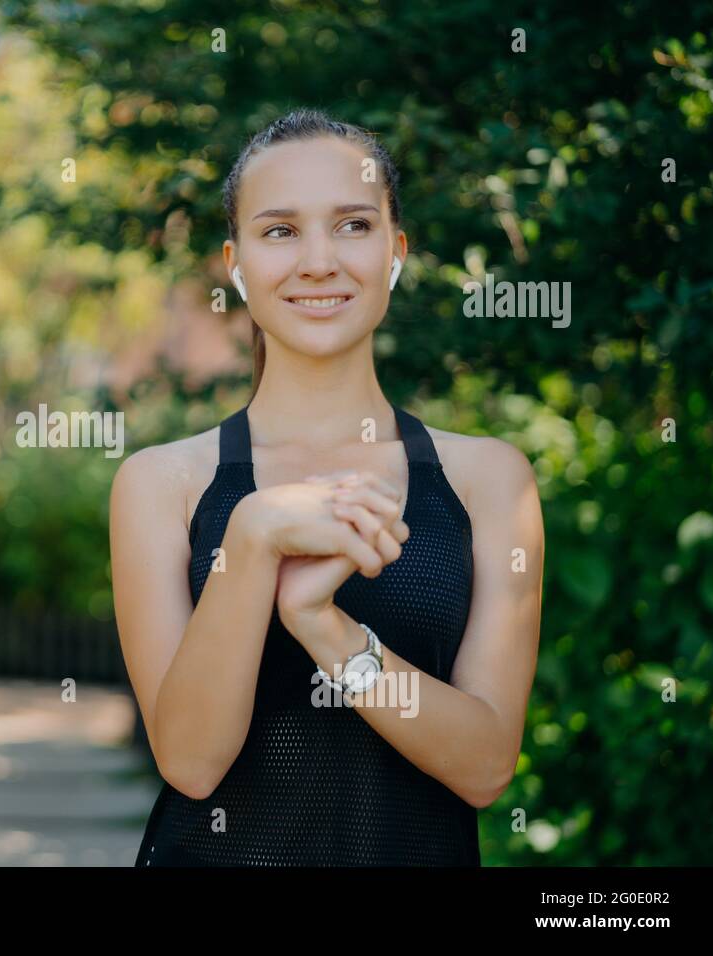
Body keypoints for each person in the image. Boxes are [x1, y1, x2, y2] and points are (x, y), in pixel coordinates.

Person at [109, 108, 545, 866]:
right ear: (237, 264)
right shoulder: (163, 483)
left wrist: (324, 625)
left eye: (352, 225)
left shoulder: (488, 481)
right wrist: (252, 539)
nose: (318, 261)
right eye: (280, 231)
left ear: (395, 252)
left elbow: (485, 768)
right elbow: (190, 761)